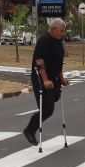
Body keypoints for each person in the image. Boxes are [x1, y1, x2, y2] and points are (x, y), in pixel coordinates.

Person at [24, 17, 69, 145]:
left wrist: (61, 78)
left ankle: (47, 101)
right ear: (54, 29)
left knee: (55, 96)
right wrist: (45, 80)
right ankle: (29, 130)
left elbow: (58, 62)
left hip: (53, 78)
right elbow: (39, 62)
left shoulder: (58, 41)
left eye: (64, 31)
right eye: (61, 31)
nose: (63, 34)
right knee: (48, 109)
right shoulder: (44, 41)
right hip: (41, 78)